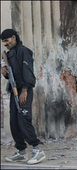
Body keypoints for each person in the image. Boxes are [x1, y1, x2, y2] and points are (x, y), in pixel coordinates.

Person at [0, 29, 46, 164]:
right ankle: (21, 152)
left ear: (14, 37)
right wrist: (4, 73)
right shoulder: (9, 54)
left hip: (24, 90)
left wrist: (25, 90)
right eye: (3, 42)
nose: (5, 44)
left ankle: (38, 150)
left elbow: (27, 72)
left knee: (23, 119)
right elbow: (11, 75)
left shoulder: (23, 51)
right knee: (14, 122)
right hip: (14, 90)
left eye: (7, 41)